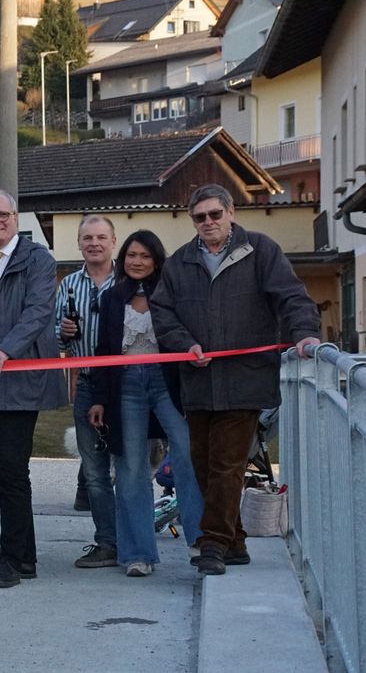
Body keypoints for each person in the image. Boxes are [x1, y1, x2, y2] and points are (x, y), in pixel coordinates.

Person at [151, 184, 320, 575]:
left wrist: (304, 333)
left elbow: (292, 297)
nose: (208, 222)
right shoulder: (178, 264)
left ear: (231, 213)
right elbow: (162, 313)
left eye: (215, 214)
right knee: (203, 465)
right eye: (200, 217)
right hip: (196, 383)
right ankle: (236, 541)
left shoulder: (262, 251)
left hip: (245, 380)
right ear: (192, 220)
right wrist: (185, 343)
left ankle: (211, 543)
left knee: (227, 463)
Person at [0, 190, 67, 589]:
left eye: (3, 214)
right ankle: (24, 555)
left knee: (11, 470)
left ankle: (13, 561)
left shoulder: (37, 260)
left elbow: (38, 312)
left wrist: (6, 349)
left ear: (16, 217)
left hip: (18, 378)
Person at [88, 230, 204, 578]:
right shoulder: (111, 298)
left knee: (188, 454)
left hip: (167, 383)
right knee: (131, 467)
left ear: (157, 261)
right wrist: (98, 399)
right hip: (125, 384)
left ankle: (201, 541)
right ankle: (138, 554)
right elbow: (102, 349)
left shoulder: (172, 295)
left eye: (145, 256)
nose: (137, 262)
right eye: (131, 256)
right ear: (123, 259)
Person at [54, 215, 120, 569]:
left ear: (113, 241)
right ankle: (106, 542)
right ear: (79, 244)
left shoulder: (129, 279)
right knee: (94, 472)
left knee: (129, 468)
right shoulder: (68, 285)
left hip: (126, 383)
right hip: (87, 381)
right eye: (87, 238)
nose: (94, 243)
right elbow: (52, 335)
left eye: (100, 237)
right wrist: (63, 332)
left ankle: (133, 539)